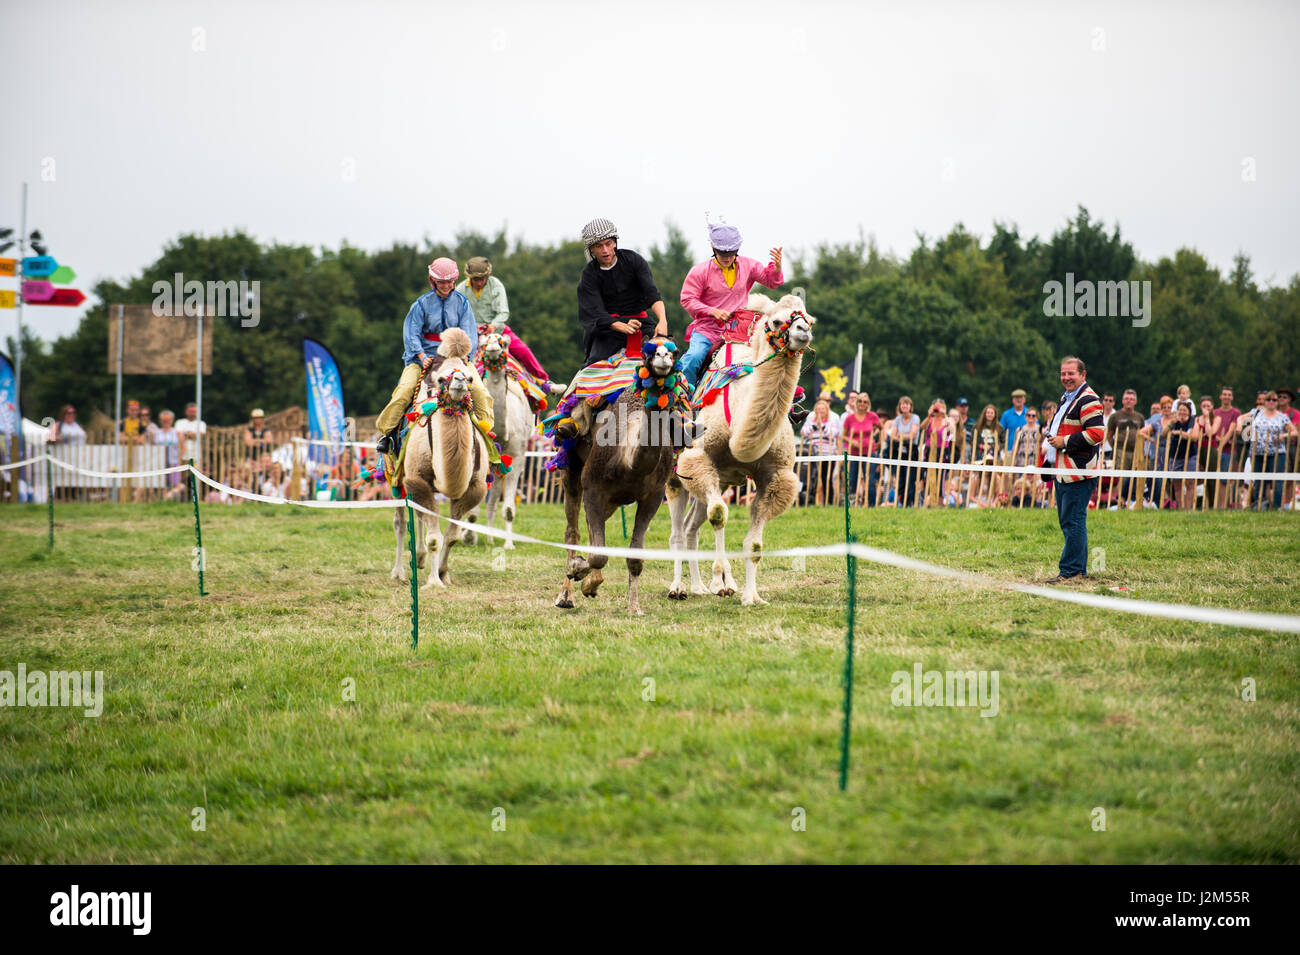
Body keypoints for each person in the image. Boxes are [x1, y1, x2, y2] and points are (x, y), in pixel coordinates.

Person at [375, 257, 497, 469]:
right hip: (423, 358)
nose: (447, 286)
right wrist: (422, 357)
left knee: (480, 391)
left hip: (455, 358)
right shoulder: (420, 304)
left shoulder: (462, 303)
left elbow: (470, 333)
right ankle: (387, 434)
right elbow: (411, 335)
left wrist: (465, 356)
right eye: (442, 282)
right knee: (404, 391)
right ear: (433, 281)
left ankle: (485, 436)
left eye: (450, 281)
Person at [678, 222, 785, 387]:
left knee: (771, 355)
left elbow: (771, 282)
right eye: (722, 253)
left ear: (737, 250)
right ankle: (684, 401)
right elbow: (687, 299)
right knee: (693, 357)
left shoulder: (749, 265)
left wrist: (777, 268)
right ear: (714, 249)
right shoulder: (699, 271)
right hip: (708, 330)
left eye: (731, 253)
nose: (727, 257)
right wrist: (712, 311)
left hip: (740, 331)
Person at [1042, 356, 1104, 584]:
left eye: (1071, 374)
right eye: (1063, 373)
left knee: (1073, 521)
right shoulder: (1067, 398)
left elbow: (1097, 433)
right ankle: (1077, 569)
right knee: (1070, 519)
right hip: (1063, 470)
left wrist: (1065, 441)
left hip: (1078, 471)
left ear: (1082, 375)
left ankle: (1071, 571)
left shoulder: (1088, 399)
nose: (1066, 378)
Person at [457, 256, 560, 391]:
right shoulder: (460, 290)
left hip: (497, 330)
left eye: (483, 279)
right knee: (458, 357)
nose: (479, 282)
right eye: (476, 279)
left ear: (488, 276)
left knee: (522, 350)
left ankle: (545, 381)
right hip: (471, 335)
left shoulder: (496, 285)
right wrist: (471, 328)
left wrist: (493, 325)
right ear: (469, 277)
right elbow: (458, 316)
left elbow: (503, 312)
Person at [1249, 391, 1299, 510]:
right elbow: (1241, 418)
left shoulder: (1282, 417)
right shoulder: (1256, 413)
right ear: (1264, 401)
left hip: (1276, 453)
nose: (1271, 402)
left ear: (1276, 403)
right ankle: (1258, 504)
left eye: (1274, 400)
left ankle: (1276, 506)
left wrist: (1283, 436)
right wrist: (1241, 425)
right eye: (1268, 400)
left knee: (1277, 481)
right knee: (1258, 480)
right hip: (1258, 452)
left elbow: (1294, 432)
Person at [1105, 389, 1145, 509]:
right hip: (1121, 451)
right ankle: (1120, 501)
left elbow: (1143, 434)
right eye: (1127, 398)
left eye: (1131, 399)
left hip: (1136, 452)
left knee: (1135, 476)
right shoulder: (1115, 416)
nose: (1129, 401)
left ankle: (1133, 500)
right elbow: (1109, 435)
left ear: (1135, 401)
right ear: (1123, 401)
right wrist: (1116, 448)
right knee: (1121, 476)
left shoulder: (1140, 417)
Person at [840, 393, 880, 506]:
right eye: (860, 401)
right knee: (852, 479)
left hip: (870, 452)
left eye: (865, 402)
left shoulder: (873, 416)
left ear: (868, 404)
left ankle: (871, 505)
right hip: (854, 453)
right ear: (856, 403)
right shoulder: (850, 418)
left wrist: (879, 443)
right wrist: (851, 441)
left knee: (870, 479)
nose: (862, 404)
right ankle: (852, 504)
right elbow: (842, 436)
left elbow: (880, 428)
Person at [800, 398, 840, 505]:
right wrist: (814, 426)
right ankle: (810, 501)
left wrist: (821, 425)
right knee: (812, 477)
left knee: (826, 478)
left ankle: (829, 502)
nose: (820, 411)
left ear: (827, 410)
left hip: (828, 454)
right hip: (813, 453)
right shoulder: (810, 421)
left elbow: (832, 434)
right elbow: (803, 432)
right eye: (818, 409)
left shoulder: (831, 422)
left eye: (822, 409)